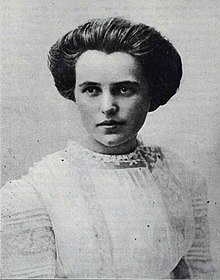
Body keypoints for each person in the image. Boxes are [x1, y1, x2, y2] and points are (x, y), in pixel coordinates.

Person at [1, 17, 215, 279]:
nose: (107, 107)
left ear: (151, 93)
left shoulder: (179, 177)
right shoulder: (37, 191)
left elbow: (200, 272)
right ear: (75, 94)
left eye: (124, 89)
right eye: (91, 90)